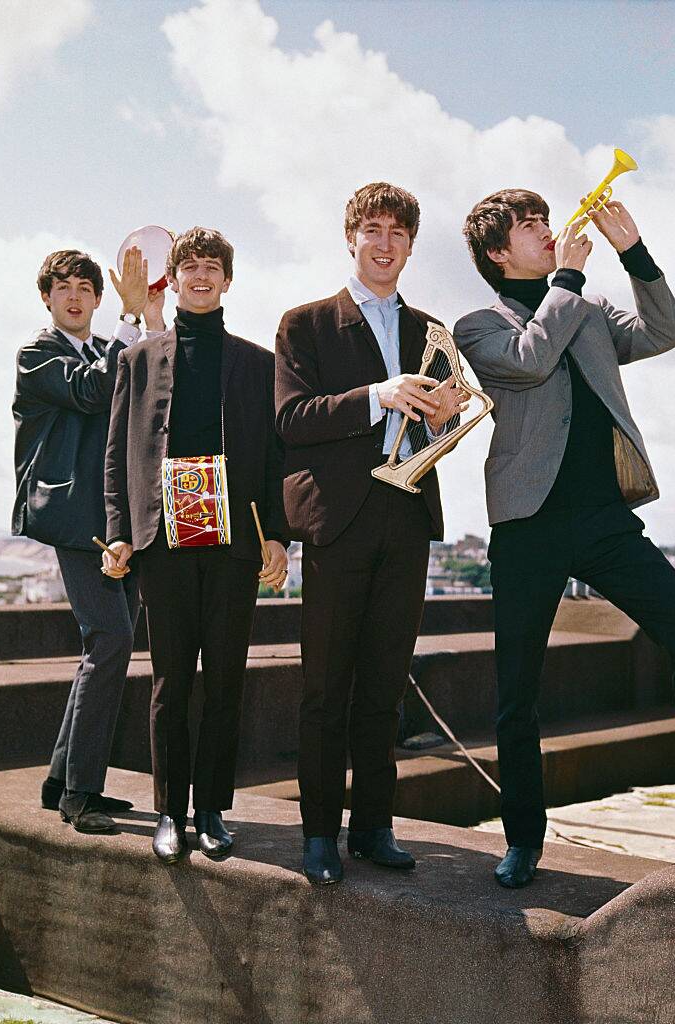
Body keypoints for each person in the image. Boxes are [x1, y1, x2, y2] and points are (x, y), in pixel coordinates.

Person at [454, 189, 675, 888]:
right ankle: (523, 838)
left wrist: (633, 254)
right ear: (497, 253)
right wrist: (567, 280)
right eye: (529, 227)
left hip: (602, 517)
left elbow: (661, 333)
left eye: (543, 220)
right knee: (515, 691)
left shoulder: (584, 308)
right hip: (526, 524)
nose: (548, 230)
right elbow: (528, 360)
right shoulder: (477, 326)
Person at [275, 182, 467, 884]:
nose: (384, 243)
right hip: (338, 523)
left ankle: (373, 829)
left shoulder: (430, 329)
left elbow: (439, 427)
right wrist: (373, 398)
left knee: (385, 686)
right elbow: (290, 419)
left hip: (406, 517)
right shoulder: (304, 325)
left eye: (397, 233)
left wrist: (445, 417)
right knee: (325, 688)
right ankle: (319, 835)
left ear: (411, 245)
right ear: (350, 237)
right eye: (372, 230)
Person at [103, 227, 288, 864]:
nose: (201, 277)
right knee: (170, 681)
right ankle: (169, 813)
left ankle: (211, 811)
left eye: (213, 267)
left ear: (228, 280)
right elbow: (116, 455)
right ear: (172, 279)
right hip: (164, 541)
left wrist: (279, 539)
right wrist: (121, 531)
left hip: (234, 542)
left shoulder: (258, 363)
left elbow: (273, 459)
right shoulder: (138, 358)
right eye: (190, 267)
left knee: (226, 681)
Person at [12, 247, 149, 833]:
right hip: (76, 520)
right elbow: (94, 392)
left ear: (95, 296)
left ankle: (61, 781)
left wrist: (149, 317)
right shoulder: (37, 355)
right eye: (61, 286)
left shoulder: (106, 349)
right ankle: (81, 795)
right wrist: (129, 317)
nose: (73, 295)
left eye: (84, 287)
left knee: (108, 644)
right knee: (111, 638)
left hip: (120, 520)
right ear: (47, 298)